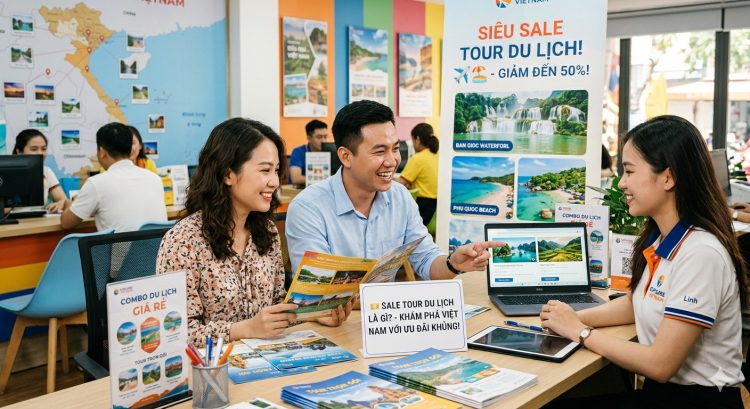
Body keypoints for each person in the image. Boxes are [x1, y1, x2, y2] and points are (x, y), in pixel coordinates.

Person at [541, 115, 746, 408]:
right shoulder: (664, 238)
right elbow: (639, 301)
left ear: (668, 177)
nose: (621, 183)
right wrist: (572, 317)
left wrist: (579, 331)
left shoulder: (701, 253)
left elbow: (660, 365)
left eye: (629, 171)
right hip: (666, 394)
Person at [156, 118, 350, 347]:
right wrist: (245, 329)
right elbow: (174, 333)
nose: (274, 182)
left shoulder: (267, 231)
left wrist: (313, 315)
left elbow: (276, 306)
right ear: (228, 174)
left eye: (276, 171)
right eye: (265, 170)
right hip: (213, 365)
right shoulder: (183, 241)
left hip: (267, 359)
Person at [286, 100, 502, 281]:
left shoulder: (400, 197)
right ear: (346, 156)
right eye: (380, 151)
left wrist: (453, 264)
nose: (392, 161)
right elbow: (317, 287)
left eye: (396, 149)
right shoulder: (309, 208)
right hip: (338, 320)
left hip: (385, 315)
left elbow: (426, 259)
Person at [60, 122, 167, 232]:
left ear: (102, 152)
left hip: (120, 244)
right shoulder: (155, 179)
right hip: (157, 244)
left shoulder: (96, 183)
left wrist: (68, 204)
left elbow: (66, 223)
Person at [12, 129, 69, 212]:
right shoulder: (6, 173)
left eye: (43, 149)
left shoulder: (46, 171)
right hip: (12, 219)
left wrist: (61, 203)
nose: (40, 153)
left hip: (39, 219)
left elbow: (63, 200)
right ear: (19, 152)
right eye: (34, 149)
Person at [397, 123, 439, 225]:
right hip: (436, 209)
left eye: (413, 140)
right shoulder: (437, 156)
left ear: (418, 139)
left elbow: (400, 184)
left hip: (424, 206)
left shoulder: (418, 158)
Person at [288, 119, 328, 185]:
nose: (323, 141)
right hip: (301, 190)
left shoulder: (330, 151)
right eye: (319, 137)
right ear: (309, 138)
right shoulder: (298, 152)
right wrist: (323, 179)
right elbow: (296, 178)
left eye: (325, 137)